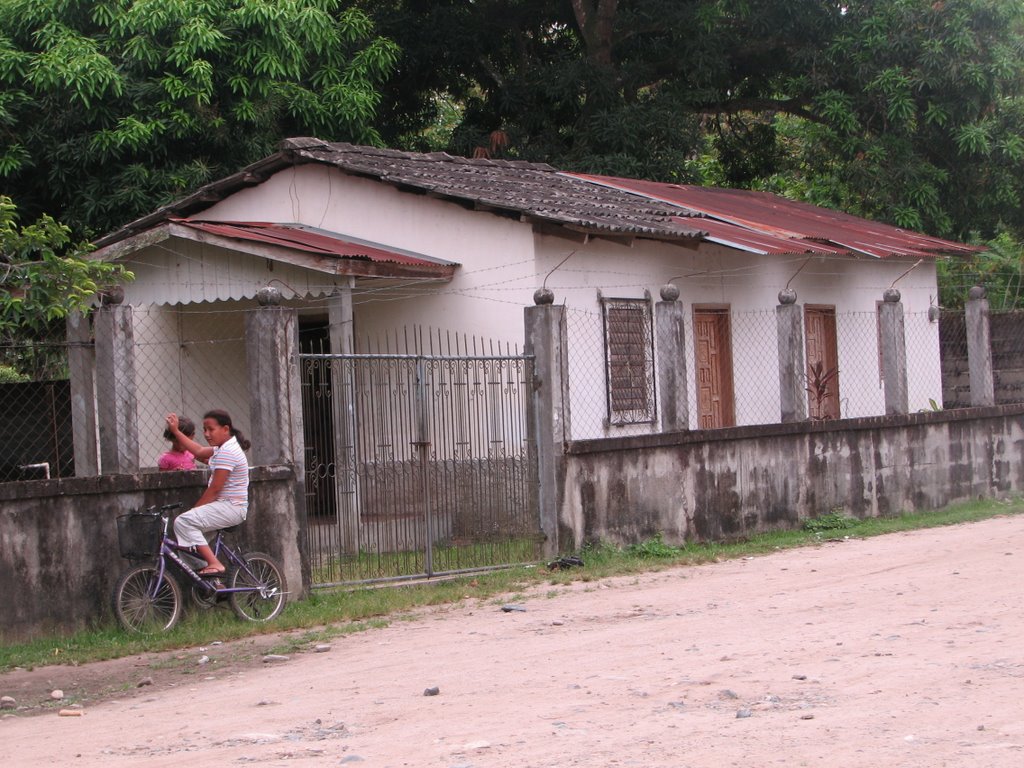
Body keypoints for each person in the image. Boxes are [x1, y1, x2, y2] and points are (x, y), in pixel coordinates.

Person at [164, 410, 251, 576]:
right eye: (204, 430)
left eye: (211, 429)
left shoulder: (228, 452)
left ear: (226, 429)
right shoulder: (222, 447)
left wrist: (194, 511)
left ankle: (214, 563)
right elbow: (198, 451)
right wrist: (175, 431)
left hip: (231, 507)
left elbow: (215, 490)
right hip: (224, 506)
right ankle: (214, 582)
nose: (206, 434)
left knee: (183, 522)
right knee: (190, 543)